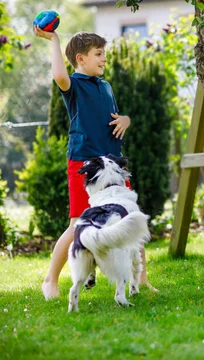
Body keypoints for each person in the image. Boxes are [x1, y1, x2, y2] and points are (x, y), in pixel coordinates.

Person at [33, 28, 156, 299]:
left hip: (113, 164)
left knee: (129, 213)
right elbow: (59, 76)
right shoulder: (74, 86)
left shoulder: (106, 86)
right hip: (84, 164)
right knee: (78, 222)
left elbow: (115, 117)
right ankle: (50, 279)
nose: (103, 59)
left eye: (104, 54)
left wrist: (126, 119)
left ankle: (142, 278)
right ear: (80, 58)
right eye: (98, 54)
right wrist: (54, 39)